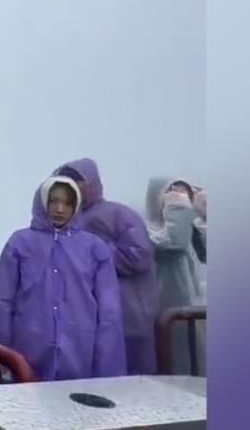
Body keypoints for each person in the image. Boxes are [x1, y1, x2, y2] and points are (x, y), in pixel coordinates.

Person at [0, 176, 126, 380]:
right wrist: (1, 355)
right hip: (27, 353)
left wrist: (106, 367)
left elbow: (109, 311)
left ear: (77, 206)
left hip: (80, 354)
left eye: (68, 203)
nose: (60, 209)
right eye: (54, 201)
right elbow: (3, 301)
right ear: (43, 201)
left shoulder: (95, 248)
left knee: (76, 409)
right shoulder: (20, 243)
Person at [55, 159, 159, 375]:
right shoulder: (63, 222)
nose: (71, 185)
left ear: (91, 182)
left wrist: (93, 251)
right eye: (65, 180)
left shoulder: (120, 214)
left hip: (127, 315)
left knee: (136, 386)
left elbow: (139, 256)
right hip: (85, 319)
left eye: (77, 179)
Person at [145, 177, 207, 375]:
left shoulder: (189, 229)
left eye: (185, 193)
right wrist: (178, 206)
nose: (179, 197)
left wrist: (203, 214)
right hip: (168, 318)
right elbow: (174, 243)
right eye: (172, 192)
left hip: (194, 315)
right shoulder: (149, 231)